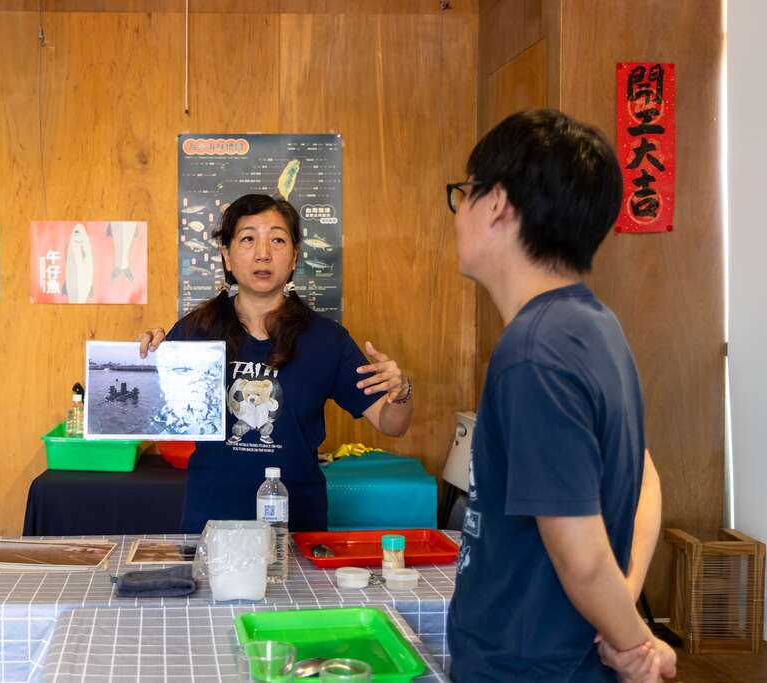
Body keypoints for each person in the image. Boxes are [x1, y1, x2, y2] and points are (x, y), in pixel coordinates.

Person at [445, 110, 674, 682]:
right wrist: (626, 621)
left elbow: (582, 557)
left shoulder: (533, 353)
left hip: (529, 668)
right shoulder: (595, 326)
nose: (457, 216)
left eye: (463, 195)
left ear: (497, 203)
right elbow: (644, 476)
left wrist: (636, 644)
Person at [138, 193, 413, 533]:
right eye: (248, 238)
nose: (263, 253)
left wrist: (400, 392)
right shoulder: (194, 333)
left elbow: (391, 424)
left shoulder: (327, 339)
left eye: (278, 240)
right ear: (226, 255)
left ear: (294, 255)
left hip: (297, 528)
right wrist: (147, 364)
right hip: (211, 525)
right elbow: (151, 414)